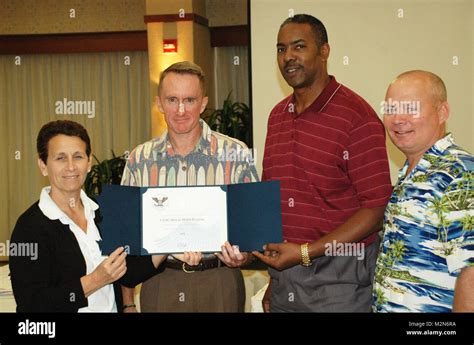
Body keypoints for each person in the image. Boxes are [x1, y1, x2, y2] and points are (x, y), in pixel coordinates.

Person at [253, 14, 393, 312]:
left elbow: (376, 208)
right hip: (286, 279)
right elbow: (274, 202)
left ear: (324, 51)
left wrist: (305, 253)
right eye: (281, 49)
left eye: (299, 46)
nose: (288, 56)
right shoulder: (277, 116)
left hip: (339, 281)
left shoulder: (357, 117)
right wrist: (275, 280)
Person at [120, 61, 259, 312]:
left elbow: (252, 229)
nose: (181, 110)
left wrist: (244, 256)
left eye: (190, 100)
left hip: (220, 281)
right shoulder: (139, 160)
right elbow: (126, 240)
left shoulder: (235, 153)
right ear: (159, 103)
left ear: (203, 104)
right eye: (172, 99)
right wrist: (128, 303)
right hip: (161, 282)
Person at [9, 120, 163, 312]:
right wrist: (95, 280)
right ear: (43, 165)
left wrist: (170, 245)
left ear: (89, 162)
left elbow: (128, 272)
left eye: (78, 157)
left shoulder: (103, 211)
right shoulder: (29, 227)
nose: (71, 167)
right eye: (60, 158)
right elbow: (33, 304)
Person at [372, 70, 474, 312]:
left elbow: (470, 273)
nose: (397, 119)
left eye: (410, 108)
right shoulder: (411, 174)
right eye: (391, 108)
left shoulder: (459, 175)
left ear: (442, 112)